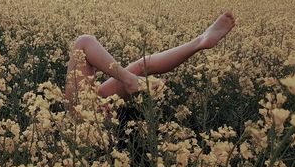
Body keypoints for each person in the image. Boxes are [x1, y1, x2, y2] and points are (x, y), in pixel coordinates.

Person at [64, 11, 235, 113]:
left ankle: (201, 40)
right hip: (81, 125)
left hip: (83, 116)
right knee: (84, 43)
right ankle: (199, 42)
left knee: (140, 65)